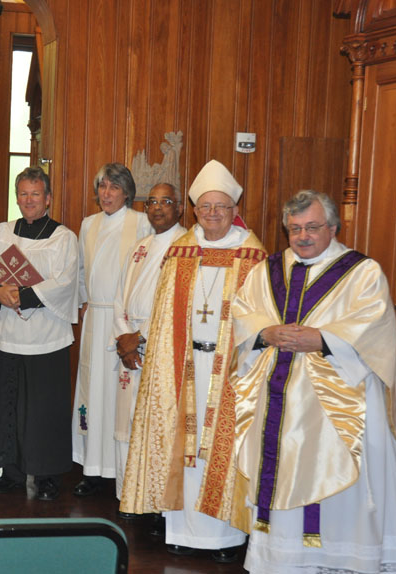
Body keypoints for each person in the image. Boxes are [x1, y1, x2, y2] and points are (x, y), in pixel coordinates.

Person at [231, 190, 396, 573]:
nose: (303, 236)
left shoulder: (362, 272)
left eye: (313, 227)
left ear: (333, 228)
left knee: (341, 488)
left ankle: (346, 560)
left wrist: (321, 340)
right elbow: (243, 313)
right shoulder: (267, 270)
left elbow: (376, 325)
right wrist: (265, 332)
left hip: (341, 406)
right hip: (280, 405)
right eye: (295, 228)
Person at [118, 159, 266, 562]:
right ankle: (181, 530)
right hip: (181, 367)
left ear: (234, 210)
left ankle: (227, 536)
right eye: (206, 206)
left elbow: (262, 318)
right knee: (182, 444)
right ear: (195, 209)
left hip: (231, 370)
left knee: (223, 446)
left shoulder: (253, 256)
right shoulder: (181, 252)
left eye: (221, 206)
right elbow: (164, 313)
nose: (213, 213)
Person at [0, 166, 79, 502]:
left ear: (48, 199)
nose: (29, 200)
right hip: (7, 335)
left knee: (44, 410)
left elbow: (66, 283)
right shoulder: (1, 232)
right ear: (17, 198)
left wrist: (23, 295)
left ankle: (48, 475)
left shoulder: (63, 237)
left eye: (36, 194)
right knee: (8, 405)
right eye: (23, 194)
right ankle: (11, 472)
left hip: (47, 338)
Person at [71, 163, 152, 497]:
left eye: (114, 187)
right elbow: (80, 271)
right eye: (102, 186)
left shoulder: (142, 223)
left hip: (125, 323)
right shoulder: (88, 225)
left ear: (127, 192)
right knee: (93, 393)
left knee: (120, 396)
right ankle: (92, 468)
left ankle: (122, 469)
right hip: (96, 318)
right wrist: (83, 303)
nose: (107, 194)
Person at [112, 183, 185, 506]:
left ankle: (154, 500)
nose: (157, 207)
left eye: (165, 201)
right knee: (126, 420)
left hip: (160, 348)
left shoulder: (187, 246)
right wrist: (123, 336)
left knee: (157, 426)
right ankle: (127, 495)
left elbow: (178, 304)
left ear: (179, 207)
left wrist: (139, 337)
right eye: (152, 202)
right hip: (129, 345)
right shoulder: (139, 247)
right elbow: (119, 297)